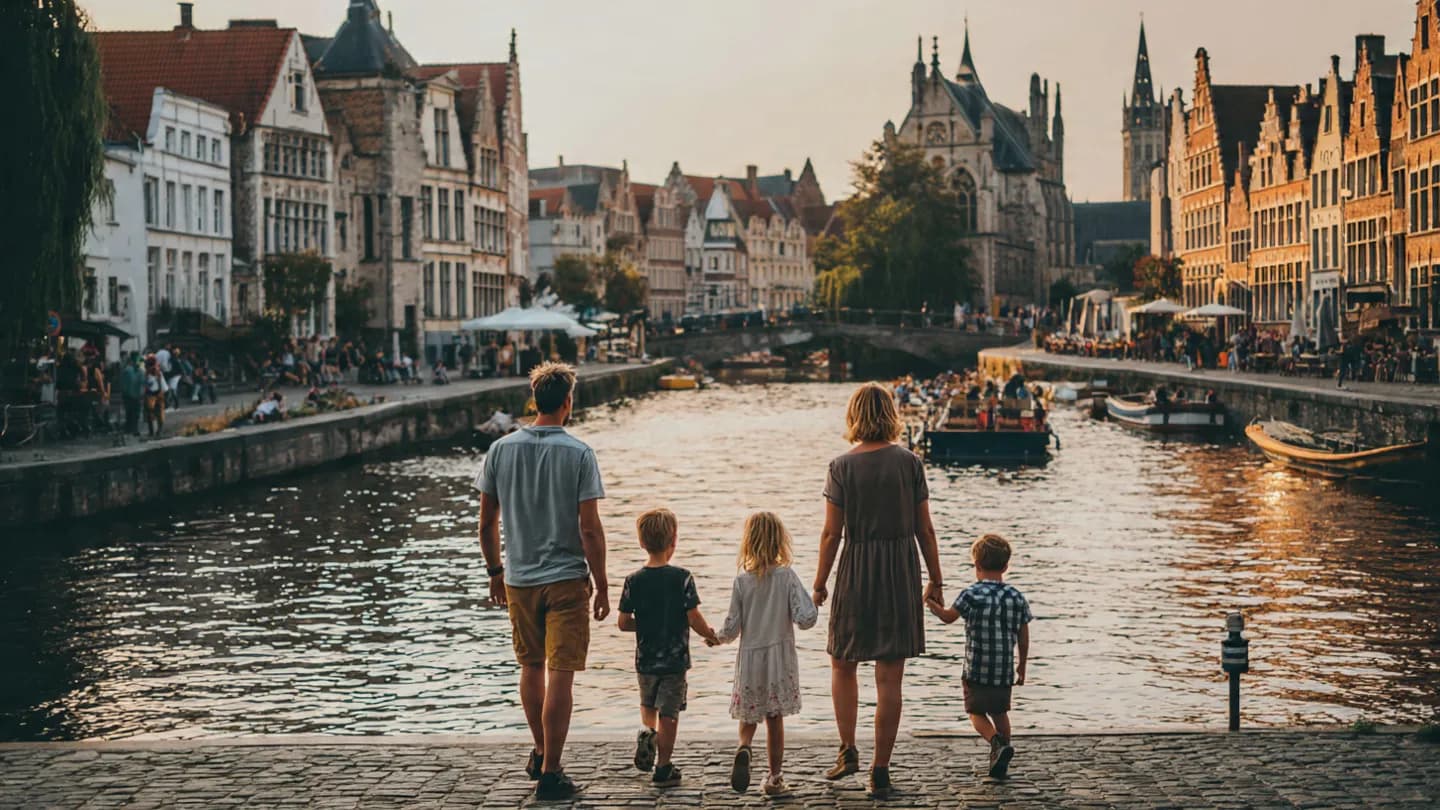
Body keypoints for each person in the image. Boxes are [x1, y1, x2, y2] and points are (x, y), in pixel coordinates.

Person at [475, 362, 609, 801]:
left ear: (534, 401)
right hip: (567, 579)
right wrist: (603, 584)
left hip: (519, 578)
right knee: (561, 675)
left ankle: (539, 750)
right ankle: (551, 771)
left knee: (530, 667)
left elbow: (486, 524)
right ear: (568, 402)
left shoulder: (500, 450)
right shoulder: (579, 454)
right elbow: (589, 529)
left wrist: (495, 572)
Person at [812, 383, 944, 799]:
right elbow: (925, 529)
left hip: (856, 567)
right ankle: (880, 770)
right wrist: (936, 579)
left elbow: (832, 534)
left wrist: (820, 582)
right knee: (889, 677)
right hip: (899, 571)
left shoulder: (841, 466)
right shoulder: (910, 463)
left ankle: (848, 749)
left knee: (842, 662)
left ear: (853, 416)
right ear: (891, 415)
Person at [710, 511, 817, 797]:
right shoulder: (787, 577)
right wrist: (814, 602)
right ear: (780, 542)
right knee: (774, 718)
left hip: (750, 660)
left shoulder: (741, 582)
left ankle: (744, 746)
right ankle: (774, 777)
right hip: (779, 661)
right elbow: (806, 618)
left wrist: (716, 638)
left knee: (748, 714)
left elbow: (732, 627)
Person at [617, 508, 718, 789]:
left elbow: (623, 623)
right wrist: (710, 635)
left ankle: (647, 732)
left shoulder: (633, 580)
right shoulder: (682, 577)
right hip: (674, 661)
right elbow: (693, 617)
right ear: (673, 540)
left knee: (648, 704)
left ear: (641, 542)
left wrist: (647, 624)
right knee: (669, 714)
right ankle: (663, 766)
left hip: (645, 659)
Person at [926, 534, 1032, 780]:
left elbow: (948, 617)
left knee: (975, 712)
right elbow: (1023, 635)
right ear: (1005, 566)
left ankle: (996, 744)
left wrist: (931, 604)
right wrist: (1022, 665)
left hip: (976, 669)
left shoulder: (971, 594)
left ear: (977, 565)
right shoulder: (1016, 596)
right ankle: (1002, 755)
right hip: (1003, 669)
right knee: (1000, 712)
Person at [119, 354, 144, 436]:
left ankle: (132, 429)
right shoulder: (128, 371)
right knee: (131, 413)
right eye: (138, 361)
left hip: (135, 396)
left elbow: (143, 383)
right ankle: (130, 429)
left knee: (134, 413)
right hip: (129, 396)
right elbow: (123, 384)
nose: (139, 363)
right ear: (133, 361)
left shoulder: (140, 371)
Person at [143, 357, 167, 437]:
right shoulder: (148, 374)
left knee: (157, 414)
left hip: (156, 394)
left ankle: (158, 431)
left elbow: (163, 387)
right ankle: (153, 431)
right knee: (152, 414)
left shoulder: (157, 373)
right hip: (152, 394)